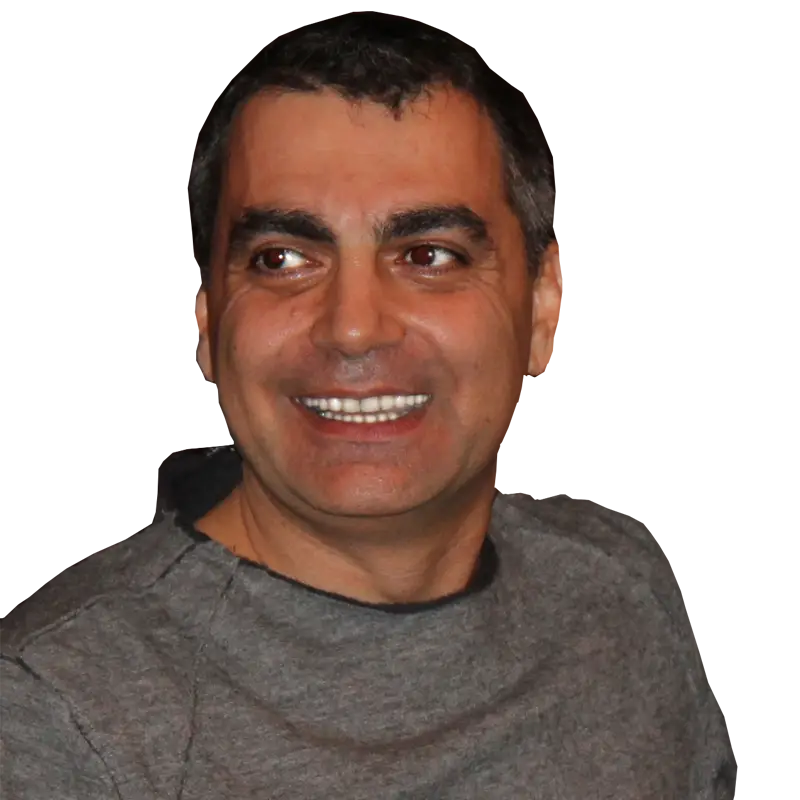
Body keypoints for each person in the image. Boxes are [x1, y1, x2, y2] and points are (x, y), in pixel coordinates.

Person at [0, 16, 735, 799]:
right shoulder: (59, 715)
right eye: (282, 259)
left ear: (543, 312)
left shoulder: (620, 601)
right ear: (206, 325)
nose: (354, 327)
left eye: (429, 255)